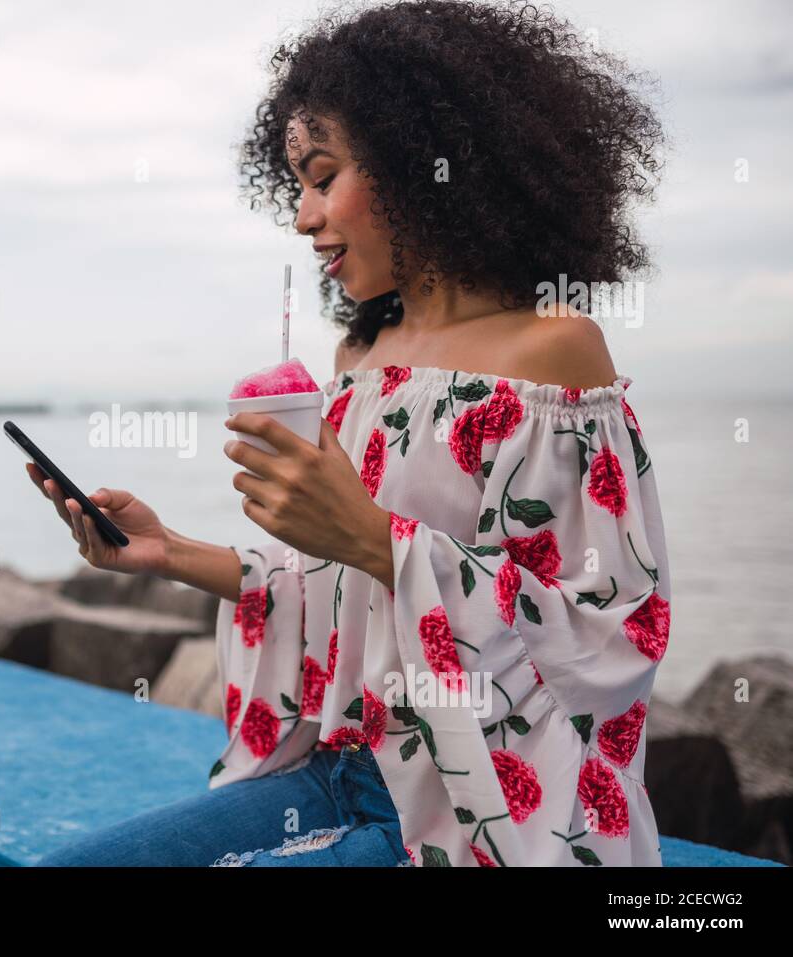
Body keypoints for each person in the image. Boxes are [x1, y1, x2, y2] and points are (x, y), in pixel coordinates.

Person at [33, 0, 669, 866]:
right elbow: (337, 590)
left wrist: (374, 536)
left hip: (474, 806)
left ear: (420, 167)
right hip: (339, 770)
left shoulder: (554, 357)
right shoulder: (359, 356)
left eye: (323, 177)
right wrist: (170, 553)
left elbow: (613, 634)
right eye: (296, 184)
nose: (301, 216)